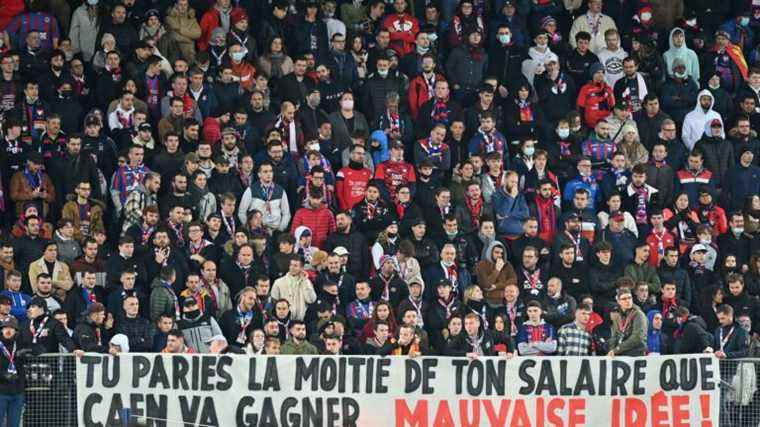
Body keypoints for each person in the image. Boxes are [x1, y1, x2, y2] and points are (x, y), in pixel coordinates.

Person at [608, 288, 648, 356]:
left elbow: (637, 337)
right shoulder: (617, 314)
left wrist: (617, 349)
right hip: (622, 350)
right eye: (624, 299)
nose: (628, 301)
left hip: (636, 351)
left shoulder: (638, 314)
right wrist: (612, 350)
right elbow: (614, 335)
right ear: (618, 301)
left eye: (629, 298)